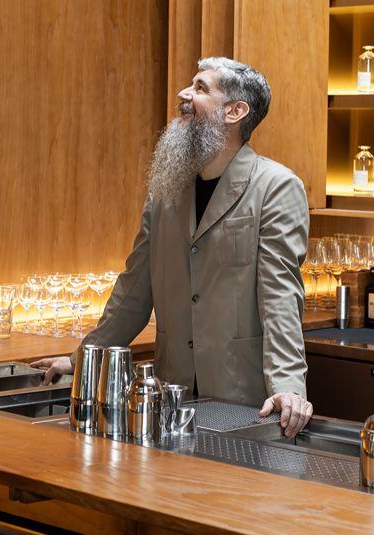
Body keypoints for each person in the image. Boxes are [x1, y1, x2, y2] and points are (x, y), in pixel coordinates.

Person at [33, 57, 312, 438]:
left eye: (200, 88)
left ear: (235, 112)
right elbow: (133, 289)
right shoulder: (167, 188)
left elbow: (280, 296)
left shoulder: (276, 187)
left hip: (245, 402)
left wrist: (289, 386)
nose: (183, 94)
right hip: (170, 398)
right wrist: (83, 358)